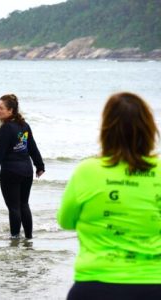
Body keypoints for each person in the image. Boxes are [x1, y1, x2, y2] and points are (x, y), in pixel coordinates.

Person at [58, 92, 161, 300]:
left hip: (95, 286)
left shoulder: (86, 171)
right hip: (153, 284)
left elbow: (66, 221)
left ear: (106, 129)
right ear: (148, 128)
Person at [0, 94, 44, 240]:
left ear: (11, 110)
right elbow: (32, 147)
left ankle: (15, 238)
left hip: (10, 172)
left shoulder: (6, 129)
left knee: (14, 207)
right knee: (24, 205)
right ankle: (29, 238)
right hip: (26, 171)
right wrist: (39, 165)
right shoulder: (24, 125)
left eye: (0, 108)